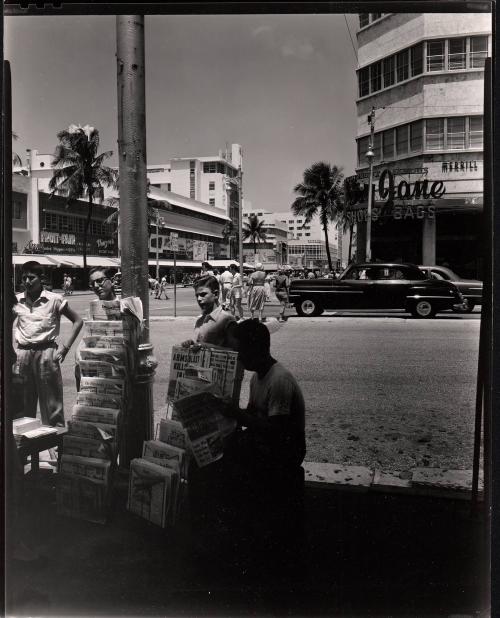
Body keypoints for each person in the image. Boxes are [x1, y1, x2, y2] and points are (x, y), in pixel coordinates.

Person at [12, 261, 83, 426]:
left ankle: (55, 446)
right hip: (22, 355)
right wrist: (10, 350)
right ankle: (27, 448)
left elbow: (78, 321)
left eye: (31, 278)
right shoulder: (17, 301)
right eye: (24, 278)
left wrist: (65, 349)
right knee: (22, 405)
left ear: (41, 278)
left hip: (46, 353)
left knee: (52, 405)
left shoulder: (54, 300)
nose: (27, 282)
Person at [74, 267, 117, 391]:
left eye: (100, 281)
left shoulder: (124, 305)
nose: (96, 286)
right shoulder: (93, 306)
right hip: (96, 358)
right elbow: (87, 334)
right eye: (92, 283)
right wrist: (78, 352)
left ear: (112, 281)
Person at [182, 274, 237, 349]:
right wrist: (191, 344)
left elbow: (235, 351)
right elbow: (199, 345)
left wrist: (205, 346)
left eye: (203, 294)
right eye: (196, 296)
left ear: (216, 294)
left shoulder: (227, 320)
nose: (199, 299)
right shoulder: (199, 321)